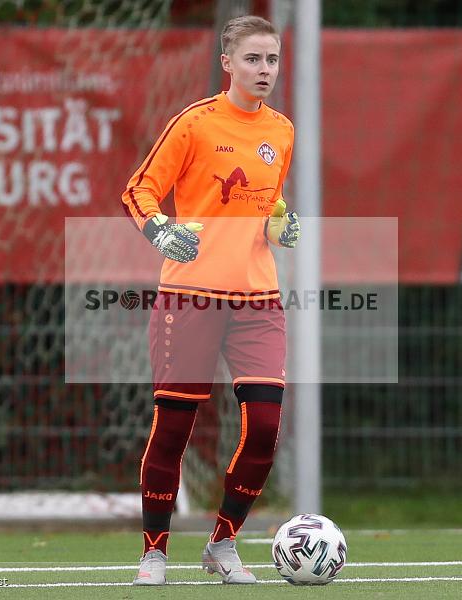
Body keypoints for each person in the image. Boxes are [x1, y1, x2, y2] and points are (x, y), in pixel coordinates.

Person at [120, 15, 300, 586]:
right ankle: (154, 552)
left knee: (266, 427)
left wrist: (281, 227)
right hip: (190, 298)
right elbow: (138, 191)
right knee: (175, 428)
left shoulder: (283, 131)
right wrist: (158, 230)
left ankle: (223, 544)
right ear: (228, 63)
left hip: (259, 301)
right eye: (252, 59)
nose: (263, 69)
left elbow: (267, 209)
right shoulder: (194, 124)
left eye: (271, 60)